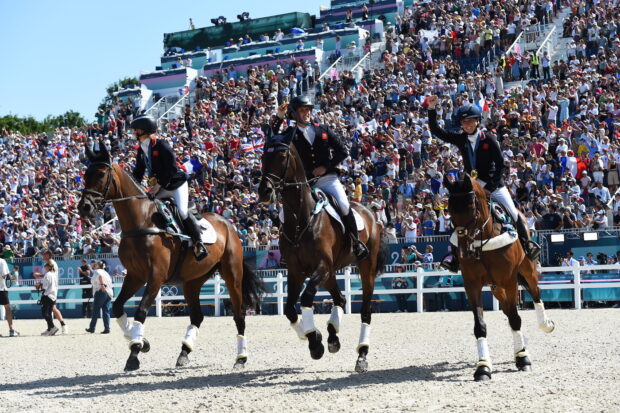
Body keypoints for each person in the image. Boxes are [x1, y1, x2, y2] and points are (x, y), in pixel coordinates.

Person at [426, 95, 540, 271]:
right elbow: (437, 131)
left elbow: (501, 164)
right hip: (471, 186)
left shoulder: (489, 139)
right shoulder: (460, 138)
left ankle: (527, 246)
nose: (467, 125)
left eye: (471, 122)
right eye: (464, 123)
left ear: (477, 121)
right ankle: (455, 258)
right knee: (458, 217)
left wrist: (490, 187)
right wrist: (432, 109)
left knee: (513, 213)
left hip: (493, 184)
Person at [270, 96, 369, 259]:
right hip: (305, 183)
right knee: (282, 215)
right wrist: (279, 117)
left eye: (308, 110)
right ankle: (288, 250)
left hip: (327, 179)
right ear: (294, 114)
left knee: (344, 205)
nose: (306, 113)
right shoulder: (290, 133)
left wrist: (326, 167)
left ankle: (356, 243)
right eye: (302, 110)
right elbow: (273, 138)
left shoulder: (323, 129)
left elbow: (342, 151)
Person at [130, 114, 208, 260]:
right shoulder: (141, 149)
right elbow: (138, 172)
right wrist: (132, 187)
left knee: (183, 212)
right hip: (159, 187)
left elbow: (171, 169)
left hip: (175, 184)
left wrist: (158, 186)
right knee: (148, 208)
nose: (135, 133)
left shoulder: (161, 145)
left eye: (137, 130)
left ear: (146, 130)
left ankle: (198, 243)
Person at [34, 250, 68, 334]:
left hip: (50, 290)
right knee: (51, 309)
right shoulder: (48, 264)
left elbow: (51, 276)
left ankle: (61, 326)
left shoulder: (52, 263)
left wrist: (39, 277)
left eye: (44, 255)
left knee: (51, 309)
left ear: (49, 255)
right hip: (51, 288)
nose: (43, 256)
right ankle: (51, 327)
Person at [85, 261, 113, 334]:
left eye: (95, 265)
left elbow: (100, 276)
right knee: (106, 311)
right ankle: (107, 328)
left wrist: (102, 285)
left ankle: (92, 328)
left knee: (95, 311)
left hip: (101, 292)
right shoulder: (106, 272)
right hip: (109, 293)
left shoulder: (97, 271)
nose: (94, 266)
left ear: (97, 266)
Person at [37, 262, 59, 336]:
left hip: (47, 295)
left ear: (48, 267)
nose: (44, 268)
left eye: (45, 267)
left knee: (44, 313)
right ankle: (49, 329)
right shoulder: (54, 275)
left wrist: (39, 287)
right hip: (53, 296)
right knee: (49, 313)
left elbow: (45, 287)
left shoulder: (47, 274)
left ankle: (52, 327)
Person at [0, 257, 19, 337]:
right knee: (7, 309)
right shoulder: (2, 261)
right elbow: (4, 275)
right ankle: (11, 330)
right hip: (1, 288)